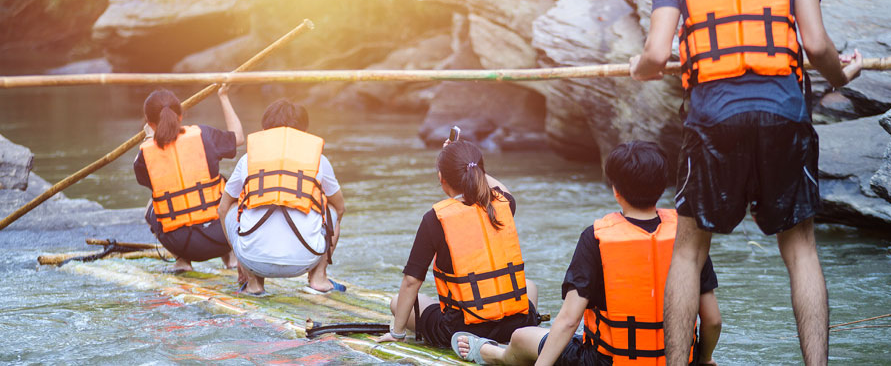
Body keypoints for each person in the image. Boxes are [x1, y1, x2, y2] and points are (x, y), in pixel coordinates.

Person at [629, 0, 863, 364]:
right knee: (801, 250)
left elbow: (655, 54)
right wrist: (841, 77)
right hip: (783, 114)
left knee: (688, 252)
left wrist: (639, 69)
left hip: (712, 119)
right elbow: (817, 45)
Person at [454, 141, 722, 365]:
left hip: (605, 361)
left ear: (616, 191)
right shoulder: (686, 237)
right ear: (663, 186)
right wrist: (704, 359)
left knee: (522, 337)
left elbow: (569, 320)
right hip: (678, 359)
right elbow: (712, 320)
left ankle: (491, 353)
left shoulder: (596, 238)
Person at [376, 140, 541, 347]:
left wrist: (397, 333)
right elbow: (502, 189)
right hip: (514, 324)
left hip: (461, 330)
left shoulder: (435, 219)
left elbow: (411, 281)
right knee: (531, 286)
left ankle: (476, 342)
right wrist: (471, 164)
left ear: (441, 178)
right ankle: (517, 336)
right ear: (480, 173)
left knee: (397, 303)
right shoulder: (503, 205)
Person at [217, 99, 345, 296]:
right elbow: (341, 207)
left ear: (266, 130)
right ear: (304, 132)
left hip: (253, 260)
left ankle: (253, 282)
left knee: (231, 206)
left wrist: (241, 262)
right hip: (305, 260)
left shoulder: (248, 159)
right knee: (332, 208)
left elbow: (223, 208)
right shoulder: (319, 160)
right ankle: (319, 277)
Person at [134, 86, 244, 273]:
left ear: (149, 124)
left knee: (153, 203)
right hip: (221, 238)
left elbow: (150, 182)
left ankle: (182, 261)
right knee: (226, 189)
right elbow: (239, 137)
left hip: (180, 244)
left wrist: (150, 140)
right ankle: (231, 257)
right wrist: (224, 97)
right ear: (181, 116)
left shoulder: (144, 155)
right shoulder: (204, 135)